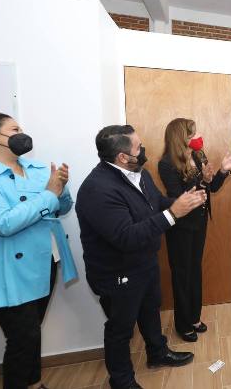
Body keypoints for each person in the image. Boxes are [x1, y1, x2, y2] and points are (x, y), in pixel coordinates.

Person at [76, 125, 207, 389]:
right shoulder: (97, 189)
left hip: (145, 261)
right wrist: (174, 214)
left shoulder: (140, 174)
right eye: (138, 147)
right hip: (117, 272)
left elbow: (157, 203)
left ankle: (157, 352)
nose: (143, 149)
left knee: (150, 309)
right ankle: (122, 380)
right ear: (122, 156)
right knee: (121, 328)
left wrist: (181, 202)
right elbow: (126, 236)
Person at [0, 112, 77, 389]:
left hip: (45, 259)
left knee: (31, 333)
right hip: (8, 270)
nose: (22, 134)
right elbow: (4, 223)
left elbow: (62, 208)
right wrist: (49, 194)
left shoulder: (37, 168)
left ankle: (35, 384)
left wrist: (61, 189)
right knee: (22, 338)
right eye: (14, 129)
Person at [158, 118, 231, 342]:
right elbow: (180, 197)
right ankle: (182, 324)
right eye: (193, 133)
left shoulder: (198, 155)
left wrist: (223, 170)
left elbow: (212, 187)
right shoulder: (166, 163)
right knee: (182, 274)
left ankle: (194, 317)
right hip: (181, 226)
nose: (198, 136)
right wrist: (202, 181)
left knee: (194, 270)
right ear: (181, 137)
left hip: (199, 222)